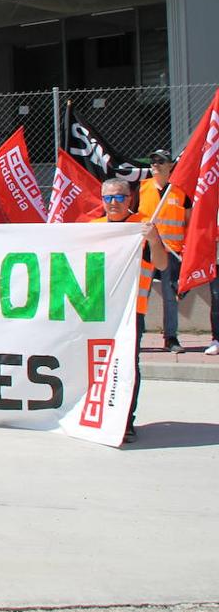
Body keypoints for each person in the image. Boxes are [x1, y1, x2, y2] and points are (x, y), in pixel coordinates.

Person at [92, 178, 167, 444]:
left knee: (126, 366)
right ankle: (97, 417)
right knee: (95, 366)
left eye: (119, 197)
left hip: (131, 310)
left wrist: (155, 241)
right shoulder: (93, 228)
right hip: (96, 311)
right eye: (108, 198)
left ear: (129, 199)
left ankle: (126, 422)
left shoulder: (143, 226)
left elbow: (161, 263)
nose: (113, 203)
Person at [137, 149, 191, 354]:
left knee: (170, 297)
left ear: (170, 166)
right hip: (145, 251)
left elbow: (189, 223)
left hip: (172, 253)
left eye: (160, 161)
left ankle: (171, 338)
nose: (155, 165)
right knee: (142, 296)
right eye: (152, 161)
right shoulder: (141, 189)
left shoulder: (181, 192)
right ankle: (137, 335)